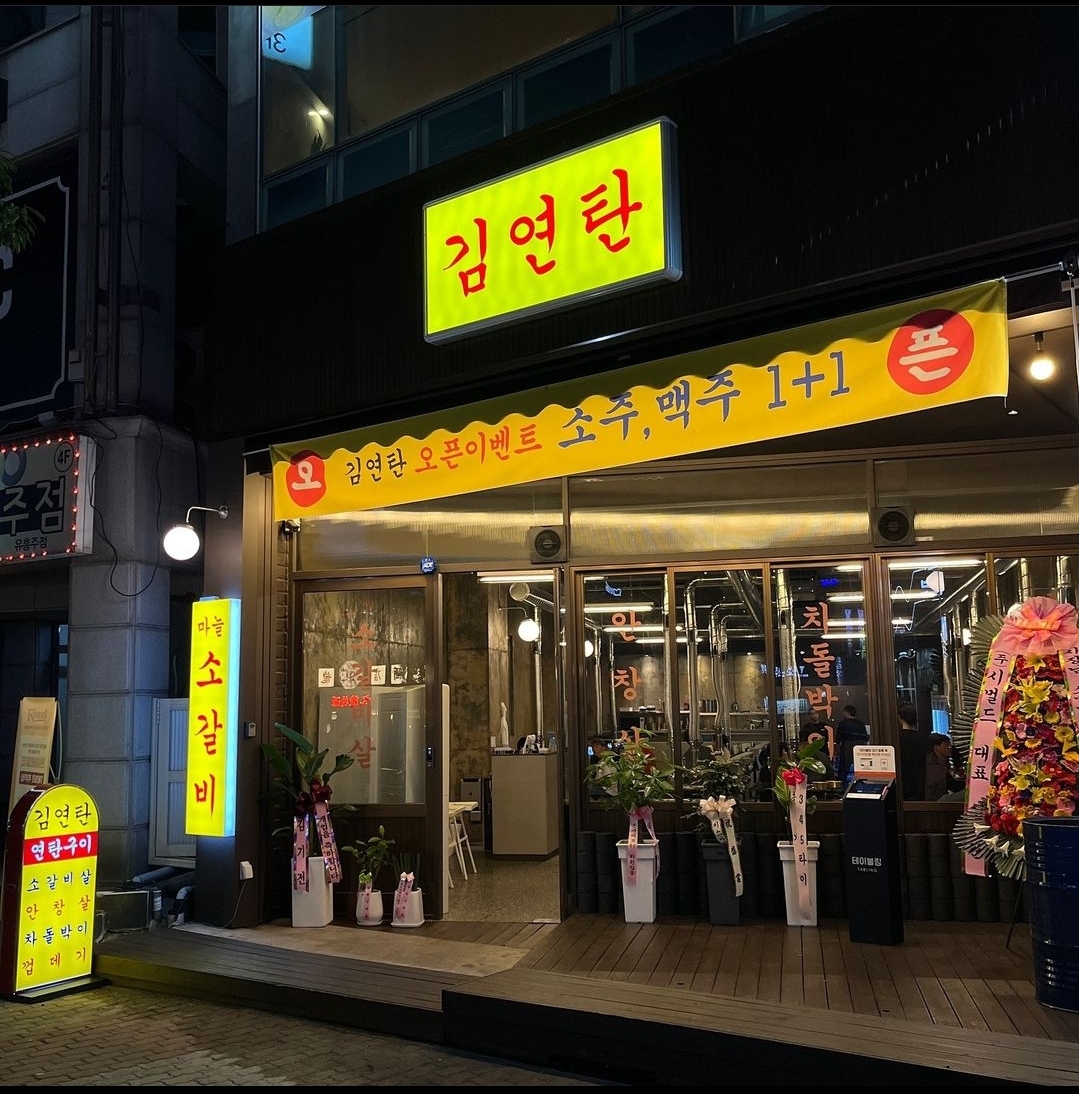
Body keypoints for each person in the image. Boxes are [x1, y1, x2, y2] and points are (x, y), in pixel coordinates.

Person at [897, 701, 929, 800]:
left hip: (903, 785)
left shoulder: (897, 739)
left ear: (899, 718)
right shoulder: (923, 738)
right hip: (921, 784)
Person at [835, 704, 869, 784]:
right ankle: (861, 783)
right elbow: (865, 738)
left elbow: (838, 739)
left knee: (843, 770)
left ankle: (842, 785)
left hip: (847, 749)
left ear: (846, 712)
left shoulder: (843, 724)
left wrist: (838, 751)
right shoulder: (860, 724)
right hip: (860, 749)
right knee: (860, 768)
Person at [925, 732, 965, 800]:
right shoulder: (933, 765)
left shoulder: (943, 761)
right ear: (937, 747)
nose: (950, 747)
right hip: (935, 801)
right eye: (946, 744)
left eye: (949, 744)